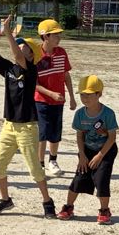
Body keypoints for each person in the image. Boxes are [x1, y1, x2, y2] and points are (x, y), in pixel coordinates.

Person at [0, 15, 57, 218]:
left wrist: (7, 31)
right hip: (9, 126)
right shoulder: (8, 68)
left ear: (32, 55)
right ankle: (5, 199)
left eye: (25, 46)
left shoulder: (31, 70)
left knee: (35, 170)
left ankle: (47, 202)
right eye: (20, 44)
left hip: (27, 127)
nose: (20, 47)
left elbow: (17, 54)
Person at [56, 75, 118, 225]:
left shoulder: (108, 113)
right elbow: (79, 135)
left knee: (101, 179)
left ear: (99, 94)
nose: (85, 98)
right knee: (79, 178)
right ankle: (68, 207)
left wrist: (100, 156)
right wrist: (82, 155)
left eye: (89, 95)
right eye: (82, 95)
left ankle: (104, 210)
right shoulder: (80, 114)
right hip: (87, 150)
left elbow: (111, 138)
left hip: (106, 151)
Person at [34, 19, 77, 177]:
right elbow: (33, 83)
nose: (59, 38)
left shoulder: (62, 53)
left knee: (55, 132)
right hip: (41, 100)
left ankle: (52, 160)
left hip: (58, 101)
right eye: (55, 35)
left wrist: (71, 97)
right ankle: (39, 164)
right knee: (43, 132)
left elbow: (66, 76)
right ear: (45, 36)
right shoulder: (36, 54)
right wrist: (50, 93)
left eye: (59, 34)